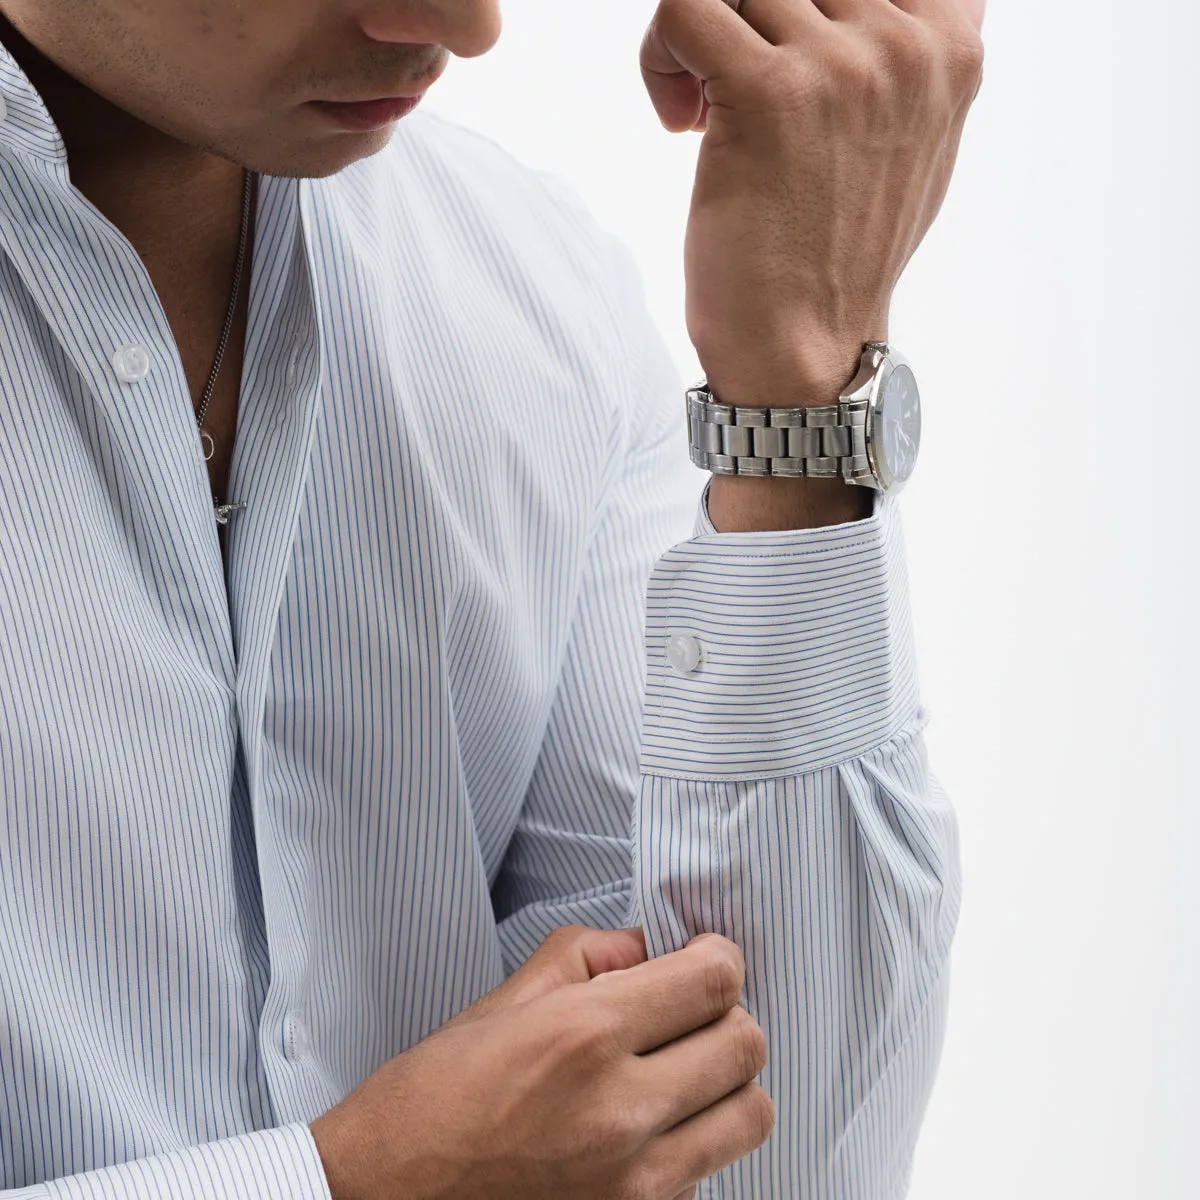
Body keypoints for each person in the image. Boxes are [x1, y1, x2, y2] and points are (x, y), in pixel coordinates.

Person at [0, 0, 984, 1197]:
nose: (466, 26)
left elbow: (771, 1162)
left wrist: (800, 392)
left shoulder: (538, 288)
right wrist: (361, 1182)